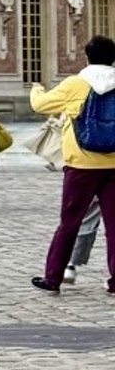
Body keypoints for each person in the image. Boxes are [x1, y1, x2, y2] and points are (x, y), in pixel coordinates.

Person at [30, 34, 115, 292]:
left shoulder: (75, 84)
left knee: (69, 223)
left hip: (81, 164)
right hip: (114, 164)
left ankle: (53, 277)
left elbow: (40, 105)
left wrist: (36, 87)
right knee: (114, 226)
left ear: (87, 57)